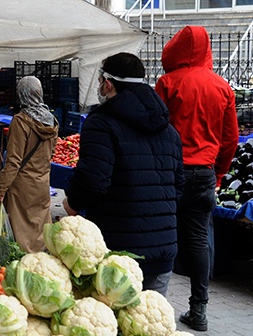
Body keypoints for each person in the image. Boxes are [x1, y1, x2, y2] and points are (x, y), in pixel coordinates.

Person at [62, 52, 184, 296]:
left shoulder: (101, 124)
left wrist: (71, 203)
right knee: (147, 327)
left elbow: (94, 181)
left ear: (108, 84)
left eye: (99, 82)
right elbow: (179, 187)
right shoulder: (169, 130)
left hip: (118, 250)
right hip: (163, 249)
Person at [154, 26, 239, 332]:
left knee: (161, 234)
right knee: (199, 239)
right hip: (204, 173)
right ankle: (199, 309)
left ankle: (154, 304)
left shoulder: (167, 82)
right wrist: (218, 173)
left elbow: (154, 127)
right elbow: (231, 139)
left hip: (170, 173)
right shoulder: (222, 87)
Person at [0, 76, 58, 253]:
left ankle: (25, 269)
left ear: (22, 94)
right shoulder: (51, 120)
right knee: (40, 230)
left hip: (22, 188)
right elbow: (51, 153)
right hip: (42, 183)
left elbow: (13, 162)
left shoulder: (20, 121)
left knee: (22, 236)